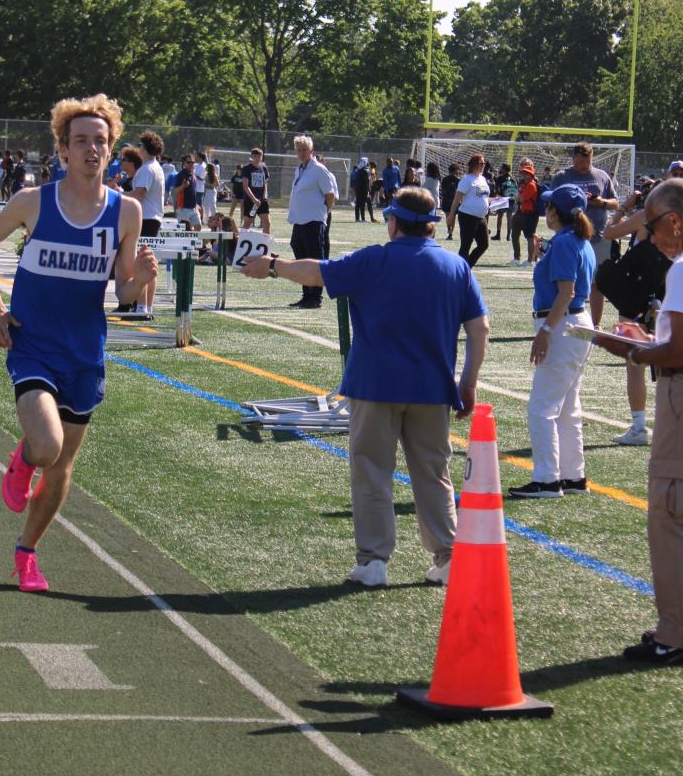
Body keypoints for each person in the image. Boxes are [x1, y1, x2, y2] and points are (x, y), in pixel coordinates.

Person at [241, 186, 489, 587]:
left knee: (372, 473)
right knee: (434, 474)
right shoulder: (456, 266)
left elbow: (316, 272)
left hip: (375, 386)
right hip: (431, 389)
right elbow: (480, 329)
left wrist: (273, 265)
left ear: (394, 222)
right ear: (429, 225)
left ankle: (374, 561)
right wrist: (469, 382)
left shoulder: (374, 259)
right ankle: (448, 557)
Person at [0, 95, 158, 593]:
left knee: (60, 470)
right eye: (80, 141)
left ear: (111, 148)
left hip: (84, 354)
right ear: (62, 149)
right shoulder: (33, 202)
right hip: (33, 345)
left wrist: (141, 280)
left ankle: (26, 553)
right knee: (46, 446)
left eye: (100, 140)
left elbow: (122, 291)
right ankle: (22, 459)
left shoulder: (126, 211)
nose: (91, 149)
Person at [594, 179, 683, 664]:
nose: (650, 234)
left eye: (653, 223)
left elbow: (679, 350)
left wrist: (629, 349)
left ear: (675, 220)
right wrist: (649, 340)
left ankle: (679, 633)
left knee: (673, 514)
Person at [508, 184, 595, 499]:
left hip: (563, 324)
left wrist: (545, 331)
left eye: (548, 207)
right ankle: (573, 475)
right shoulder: (578, 241)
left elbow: (565, 292)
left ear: (555, 212)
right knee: (569, 407)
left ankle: (547, 479)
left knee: (542, 407)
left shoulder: (564, 243)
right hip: (578, 323)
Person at [598, 192, 671, 447]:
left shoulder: (645, 216)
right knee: (666, 362)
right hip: (668, 291)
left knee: (634, 361)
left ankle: (639, 426)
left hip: (638, 294)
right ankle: (668, 424)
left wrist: (623, 208)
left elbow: (608, 233)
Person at [550, 144, 618, 318]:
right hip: (570, 237)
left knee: (597, 283)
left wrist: (601, 202)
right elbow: (552, 203)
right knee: (568, 282)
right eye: (580, 162)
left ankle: (596, 324)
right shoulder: (562, 177)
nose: (583, 166)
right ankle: (564, 318)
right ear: (573, 158)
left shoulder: (602, 176)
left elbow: (615, 203)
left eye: (587, 162)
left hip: (598, 237)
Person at [287, 135, 334, 309]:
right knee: (301, 258)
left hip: (313, 221)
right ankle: (306, 294)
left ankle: (316, 297)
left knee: (314, 259)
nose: (301, 153)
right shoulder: (299, 169)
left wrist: (324, 212)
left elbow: (330, 194)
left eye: (304, 150)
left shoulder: (319, 169)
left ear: (311, 150)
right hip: (299, 221)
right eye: (298, 150)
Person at [131, 130, 165, 319]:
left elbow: (139, 194)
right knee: (150, 264)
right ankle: (146, 308)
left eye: (140, 145)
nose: (138, 148)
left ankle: (142, 308)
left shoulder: (146, 169)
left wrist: (117, 196)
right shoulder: (156, 166)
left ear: (144, 148)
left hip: (146, 219)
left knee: (142, 264)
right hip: (153, 219)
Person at [446, 153, 491, 267]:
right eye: (482, 163)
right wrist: (451, 215)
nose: (484, 165)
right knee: (466, 245)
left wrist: (495, 200)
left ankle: (466, 267)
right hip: (467, 216)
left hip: (481, 217)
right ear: (475, 164)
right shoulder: (467, 180)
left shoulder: (482, 179)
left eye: (484, 163)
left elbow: (483, 197)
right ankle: (461, 271)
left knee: (484, 245)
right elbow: (457, 199)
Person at [511, 159, 539, 266]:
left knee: (530, 236)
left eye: (526, 173)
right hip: (523, 211)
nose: (523, 175)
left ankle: (531, 260)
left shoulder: (531, 185)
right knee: (523, 234)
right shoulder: (525, 183)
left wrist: (518, 196)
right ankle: (520, 258)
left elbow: (520, 199)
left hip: (530, 213)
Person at [241, 148, 271, 234]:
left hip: (262, 201)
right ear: (252, 157)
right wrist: (254, 199)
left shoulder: (263, 168)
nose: (257, 158)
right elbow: (245, 186)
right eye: (255, 156)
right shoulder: (247, 168)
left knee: (267, 223)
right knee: (247, 223)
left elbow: (265, 183)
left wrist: (265, 196)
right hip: (251, 202)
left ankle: (265, 241)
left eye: (259, 156)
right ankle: (241, 240)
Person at [172, 153, 202, 230]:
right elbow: (176, 191)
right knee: (184, 230)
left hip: (193, 207)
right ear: (184, 163)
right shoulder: (180, 175)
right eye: (188, 162)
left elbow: (193, 191)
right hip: (183, 208)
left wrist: (195, 204)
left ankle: (193, 239)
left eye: (193, 162)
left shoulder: (193, 174)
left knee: (198, 227)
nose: (191, 164)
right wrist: (183, 186)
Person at [351, 159, 373, 223]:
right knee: (362, 204)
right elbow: (367, 182)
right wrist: (368, 191)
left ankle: (357, 218)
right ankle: (363, 219)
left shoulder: (357, 171)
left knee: (357, 203)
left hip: (357, 189)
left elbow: (354, 180)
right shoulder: (366, 171)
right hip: (363, 189)